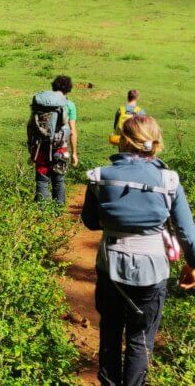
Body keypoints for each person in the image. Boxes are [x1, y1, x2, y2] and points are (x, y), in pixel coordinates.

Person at [82, 116, 195, 386]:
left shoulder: (99, 177)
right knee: (140, 338)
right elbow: (187, 235)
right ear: (155, 143)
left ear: (122, 140)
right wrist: (191, 266)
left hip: (110, 265)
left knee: (110, 331)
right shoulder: (169, 180)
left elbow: (89, 222)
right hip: (153, 270)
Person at [31, 75, 79, 205]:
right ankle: (58, 212)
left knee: (42, 180)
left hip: (41, 147)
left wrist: (31, 149)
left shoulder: (41, 103)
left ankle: (42, 212)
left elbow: (30, 126)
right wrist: (74, 153)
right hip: (60, 147)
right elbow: (72, 131)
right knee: (59, 180)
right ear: (68, 89)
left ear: (53, 86)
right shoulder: (69, 105)